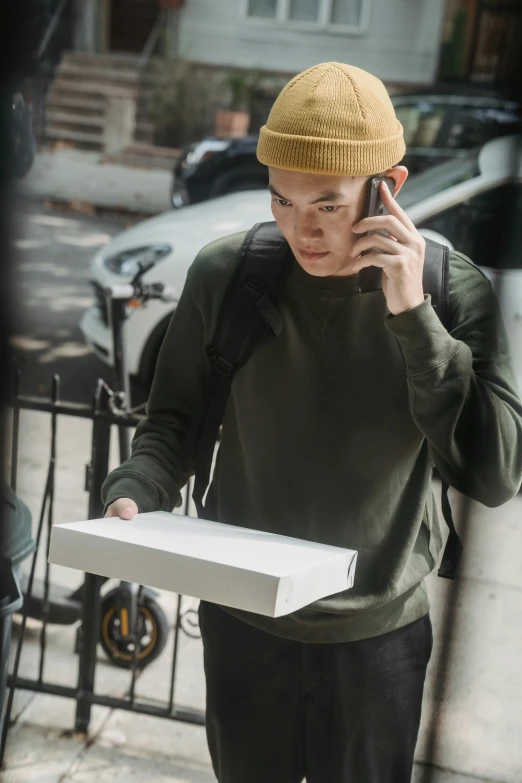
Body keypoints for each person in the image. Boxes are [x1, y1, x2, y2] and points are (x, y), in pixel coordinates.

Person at [102, 62, 522, 782]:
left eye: (327, 205)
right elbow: (172, 423)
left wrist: (412, 317)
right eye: (282, 201)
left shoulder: (454, 293)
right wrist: (137, 486)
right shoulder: (229, 274)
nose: (302, 229)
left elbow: (495, 472)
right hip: (242, 628)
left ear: (390, 184)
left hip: (378, 642)